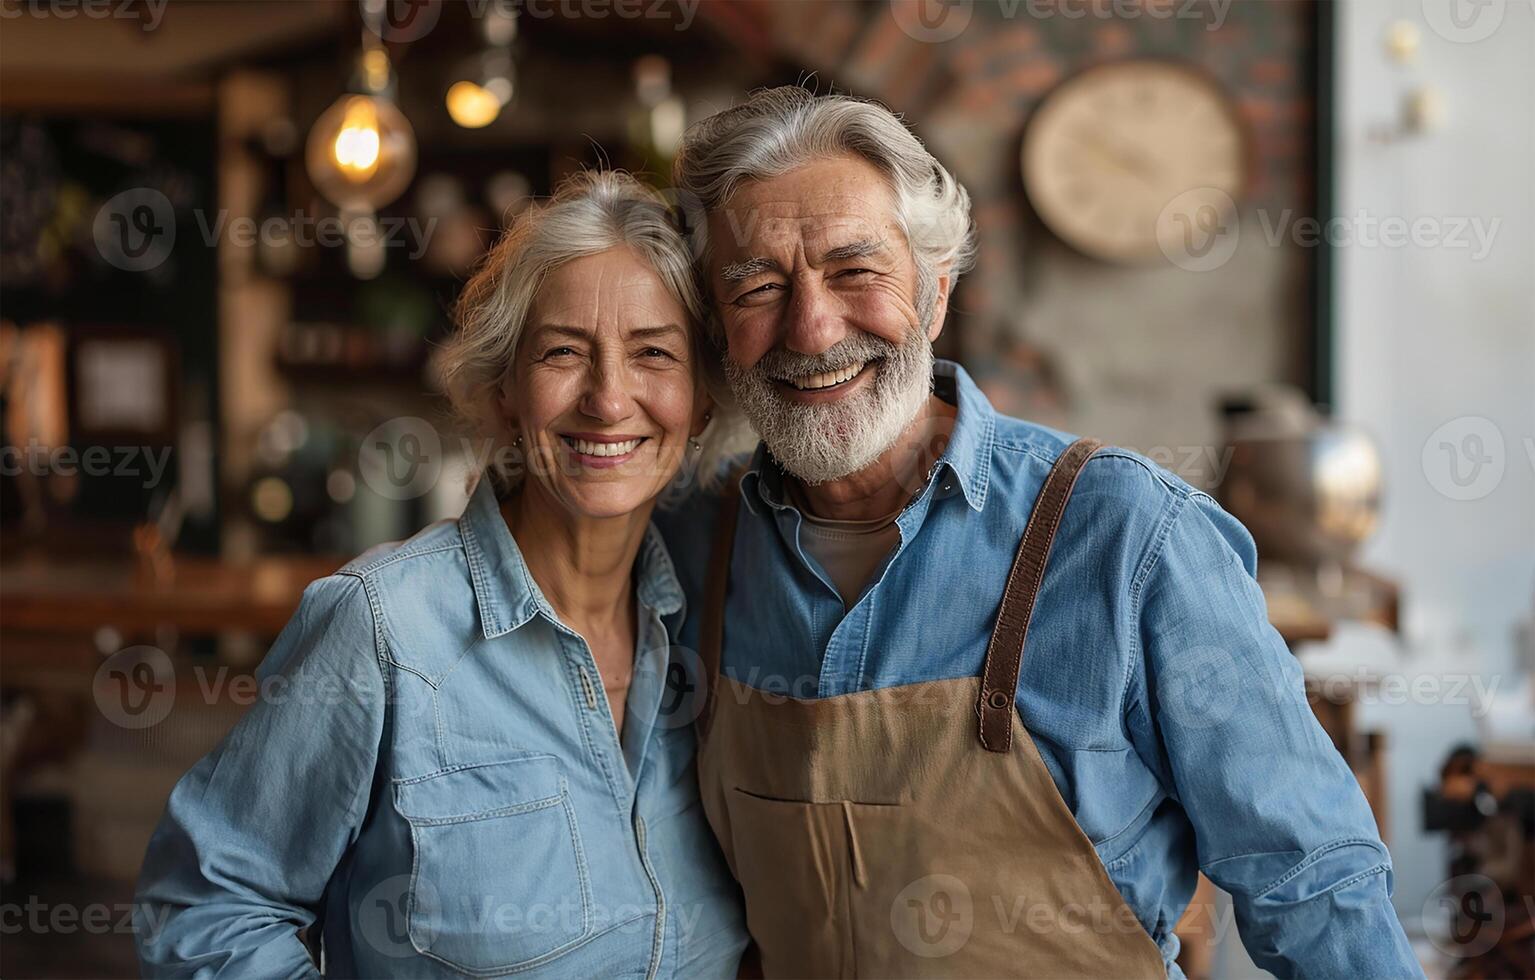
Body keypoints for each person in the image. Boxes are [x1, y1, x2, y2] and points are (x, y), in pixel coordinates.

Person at [653, 86, 1423, 978]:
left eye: (855, 271)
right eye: (758, 287)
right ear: (715, 328)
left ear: (936, 293)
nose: (812, 328)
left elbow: (1313, 884)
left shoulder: (1129, 535)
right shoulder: (691, 545)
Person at [134, 171, 749, 978]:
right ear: (502, 391)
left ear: (700, 402)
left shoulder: (714, 617)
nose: (607, 399)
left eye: (653, 354)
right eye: (563, 351)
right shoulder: (384, 630)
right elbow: (206, 910)